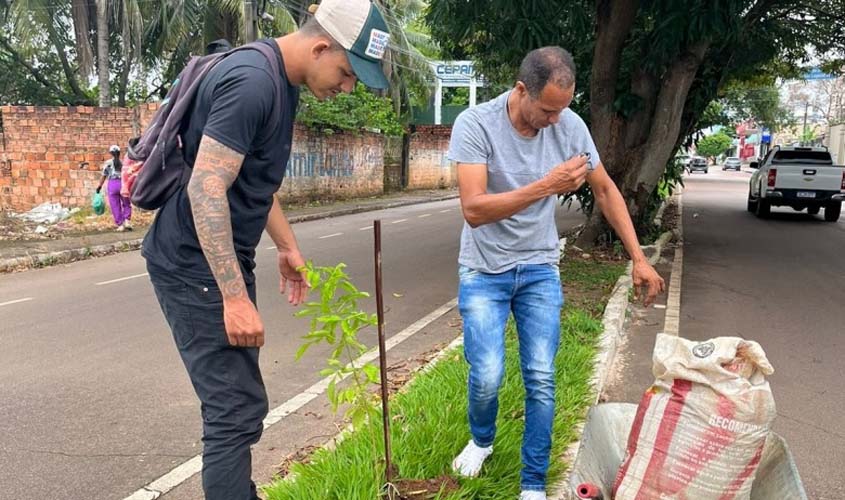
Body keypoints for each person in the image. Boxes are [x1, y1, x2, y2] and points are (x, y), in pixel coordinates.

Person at [140, 1, 391, 498]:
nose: (346, 87)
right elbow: (207, 188)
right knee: (233, 410)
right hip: (195, 265)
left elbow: (248, 177)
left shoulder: (281, 80)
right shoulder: (255, 81)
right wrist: (233, 298)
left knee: (240, 404)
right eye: (346, 71)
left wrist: (286, 245)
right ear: (321, 46)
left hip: (216, 260)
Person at [447, 47, 665, 500]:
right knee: (486, 373)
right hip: (484, 271)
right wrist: (548, 184)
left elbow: (604, 190)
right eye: (547, 110)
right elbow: (474, 209)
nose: (555, 121)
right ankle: (482, 439)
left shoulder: (571, 125)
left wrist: (638, 258)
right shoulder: (476, 124)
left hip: (539, 269)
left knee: (541, 374)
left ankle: (532, 483)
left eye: (563, 109)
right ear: (521, 89)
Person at [96, 145, 132, 231]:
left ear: (110, 153)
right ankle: (127, 220)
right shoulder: (123, 162)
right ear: (119, 153)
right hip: (123, 183)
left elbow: (103, 176)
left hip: (112, 185)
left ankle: (120, 225)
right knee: (126, 203)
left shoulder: (108, 163)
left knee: (115, 205)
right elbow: (128, 174)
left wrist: (99, 186)